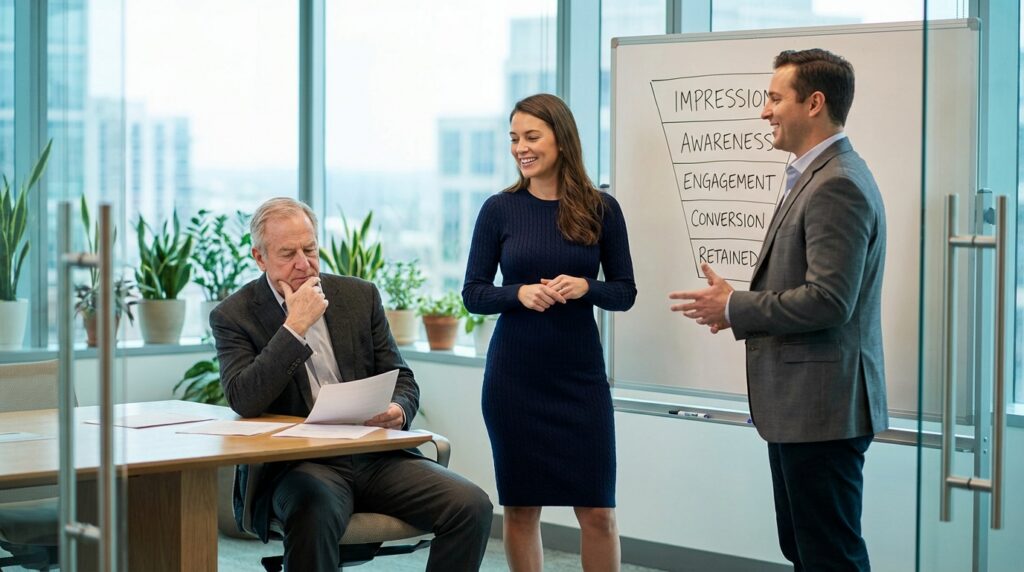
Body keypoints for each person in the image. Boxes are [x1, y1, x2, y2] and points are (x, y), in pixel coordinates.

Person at [669, 48, 888, 571]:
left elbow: (830, 300)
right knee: (806, 549)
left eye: (774, 98)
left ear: (814, 103)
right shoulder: (816, 174)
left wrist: (736, 306)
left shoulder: (837, 183)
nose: (764, 111)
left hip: (823, 410)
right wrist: (733, 306)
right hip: (805, 409)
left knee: (828, 555)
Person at [210, 197, 493, 572]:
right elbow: (245, 398)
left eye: (310, 249)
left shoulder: (359, 296)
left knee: (470, 505)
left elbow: (402, 377)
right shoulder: (234, 315)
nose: (303, 264)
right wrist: (294, 327)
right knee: (314, 510)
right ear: (260, 258)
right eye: (287, 254)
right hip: (300, 465)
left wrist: (397, 409)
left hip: (373, 455)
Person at [462, 93, 636, 572]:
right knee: (521, 508)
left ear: (561, 139)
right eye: (514, 138)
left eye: (532, 136)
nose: (521, 147)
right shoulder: (499, 209)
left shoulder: (602, 209)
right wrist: (516, 294)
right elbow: (473, 293)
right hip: (515, 379)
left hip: (579, 378)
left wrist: (586, 286)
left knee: (598, 510)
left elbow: (624, 292)